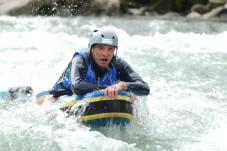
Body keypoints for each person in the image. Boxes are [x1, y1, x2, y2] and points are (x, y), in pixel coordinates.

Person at [50, 27, 150, 100]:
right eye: (101, 48)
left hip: (95, 95)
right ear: (92, 49)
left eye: (110, 49)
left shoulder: (118, 63)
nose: (105, 54)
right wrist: (109, 88)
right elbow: (77, 87)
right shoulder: (80, 59)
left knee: (134, 98)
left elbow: (145, 88)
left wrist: (123, 85)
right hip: (63, 94)